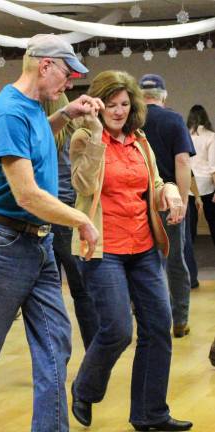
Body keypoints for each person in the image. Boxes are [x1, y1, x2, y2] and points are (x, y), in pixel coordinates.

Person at [0, 34, 101, 432]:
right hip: (4, 244)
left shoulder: (32, 108)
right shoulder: (11, 110)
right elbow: (27, 194)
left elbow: (33, 139)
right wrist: (81, 220)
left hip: (38, 243)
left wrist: (65, 115)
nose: (69, 86)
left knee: (54, 346)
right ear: (45, 65)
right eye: (67, 76)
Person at [70, 70, 192, 432]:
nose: (119, 111)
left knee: (158, 327)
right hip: (104, 249)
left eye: (125, 104)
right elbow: (84, 183)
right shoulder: (83, 137)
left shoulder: (140, 141)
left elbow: (153, 182)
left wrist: (168, 190)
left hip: (144, 247)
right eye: (111, 104)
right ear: (98, 104)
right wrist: (94, 134)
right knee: (119, 330)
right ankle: (85, 387)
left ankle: (150, 413)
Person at [140, 74, 195, 338]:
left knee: (140, 263)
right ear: (164, 95)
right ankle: (179, 321)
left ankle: (146, 322)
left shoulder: (133, 122)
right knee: (174, 261)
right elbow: (182, 162)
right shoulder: (173, 119)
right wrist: (183, 202)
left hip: (137, 203)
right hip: (169, 199)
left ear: (140, 96)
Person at [43, 93, 98, 350]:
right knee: (81, 290)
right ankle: (93, 352)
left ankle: (53, 356)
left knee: (47, 294)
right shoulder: (76, 135)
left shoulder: (40, 135)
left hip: (42, 213)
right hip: (69, 214)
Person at [187, 105, 215, 245]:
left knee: (190, 227)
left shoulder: (185, 134)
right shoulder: (211, 136)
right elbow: (213, 166)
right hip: (207, 186)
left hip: (188, 184)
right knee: (213, 222)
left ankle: (188, 260)